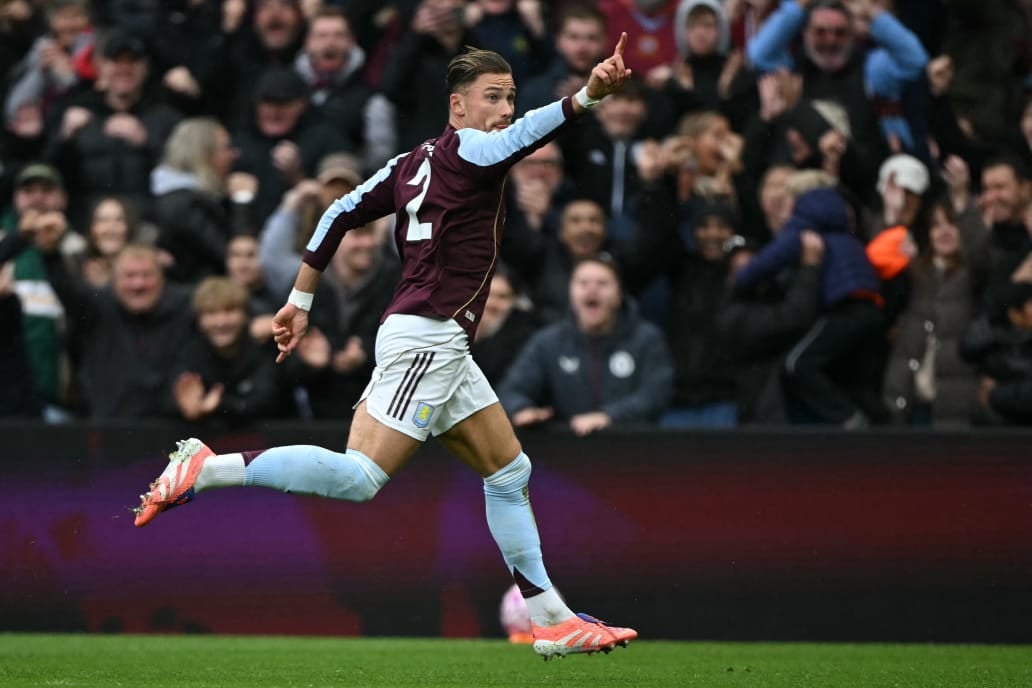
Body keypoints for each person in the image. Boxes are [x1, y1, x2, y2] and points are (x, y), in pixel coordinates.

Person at [132, 36, 639, 659]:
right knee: (360, 477)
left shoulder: (408, 162)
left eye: (510, 97)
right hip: (430, 336)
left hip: (431, 336)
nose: (505, 110)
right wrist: (587, 96)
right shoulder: (474, 148)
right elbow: (529, 133)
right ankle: (208, 468)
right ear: (457, 106)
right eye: (492, 98)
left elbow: (338, 212)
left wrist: (300, 300)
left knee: (509, 472)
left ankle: (551, 618)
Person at [498, 254, 673, 435]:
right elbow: (510, 390)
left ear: (619, 295)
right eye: (583, 283)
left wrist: (609, 416)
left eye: (602, 283)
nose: (592, 289)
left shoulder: (647, 338)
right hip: (566, 445)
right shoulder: (547, 341)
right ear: (571, 293)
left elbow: (657, 394)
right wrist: (521, 409)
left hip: (632, 443)